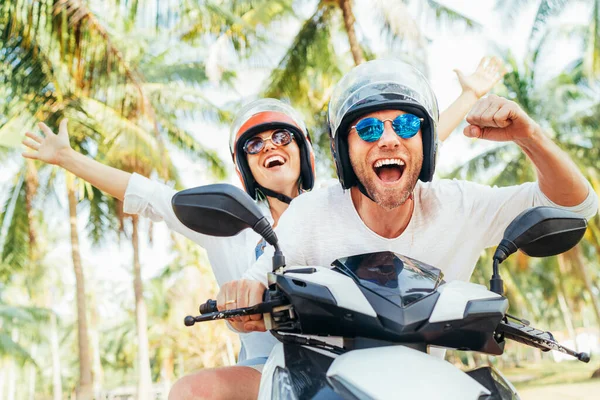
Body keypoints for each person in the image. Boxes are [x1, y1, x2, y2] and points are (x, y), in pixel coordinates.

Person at [21, 57, 506, 400]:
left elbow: (408, 145)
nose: (270, 146)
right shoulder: (226, 222)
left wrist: (468, 95)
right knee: (192, 392)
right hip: (273, 373)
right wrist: (67, 157)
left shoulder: (341, 206)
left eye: (282, 136)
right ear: (244, 169)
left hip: (363, 357)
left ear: (309, 153)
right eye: (254, 144)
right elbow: (148, 196)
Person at [214, 59, 598, 392]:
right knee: (196, 389)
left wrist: (530, 137)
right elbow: (258, 276)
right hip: (316, 382)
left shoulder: (457, 205)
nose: (388, 139)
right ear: (343, 152)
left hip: (423, 381)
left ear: (426, 141)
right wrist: (244, 293)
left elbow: (576, 206)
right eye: (367, 130)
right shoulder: (310, 214)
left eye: (407, 124)